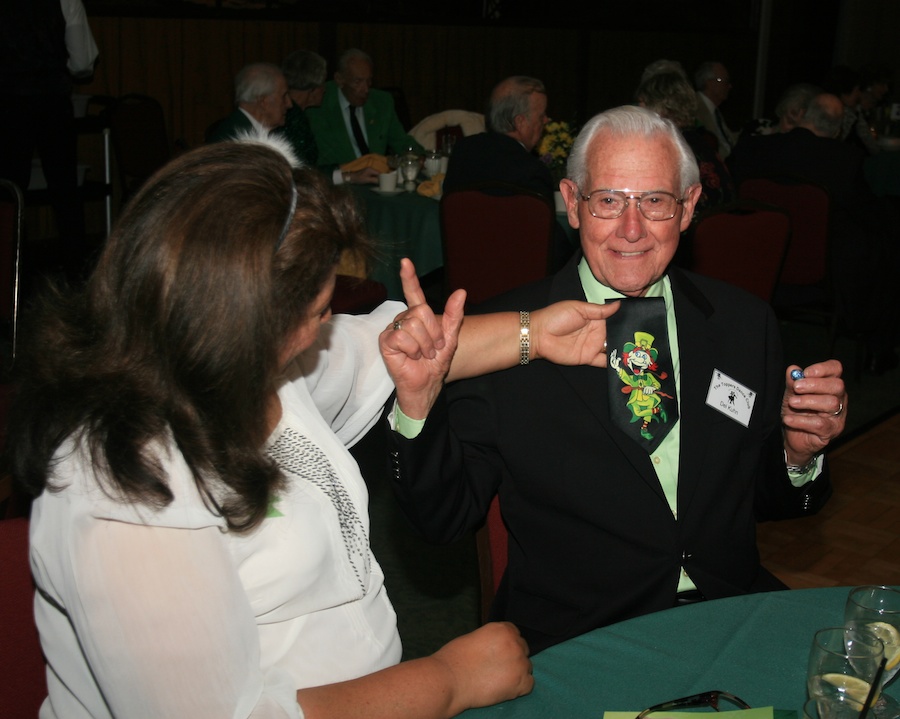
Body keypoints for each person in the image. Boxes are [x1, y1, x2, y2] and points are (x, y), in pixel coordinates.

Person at [8, 129, 623, 717]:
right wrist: (448, 680)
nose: (327, 324)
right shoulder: (124, 492)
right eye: (317, 310)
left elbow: (393, 349)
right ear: (242, 325)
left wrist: (537, 332)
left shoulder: (256, 372)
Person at [383, 105, 847, 654]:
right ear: (573, 204)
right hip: (580, 638)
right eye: (608, 201)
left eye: (654, 201)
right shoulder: (506, 341)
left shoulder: (744, 323)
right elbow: (440, 521)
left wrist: (797, 455)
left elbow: (766, 499)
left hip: (729, 612)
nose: (632, 229)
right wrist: (416, 402)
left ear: (689, 208)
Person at [728, 92, 899, 374]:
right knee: (882, 245)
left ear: (803, 116)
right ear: (838, 130)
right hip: (815, 268)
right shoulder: (845, 159)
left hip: (755, 261)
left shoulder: (754, 148)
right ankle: (877, 349)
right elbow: (868, 214)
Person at [0, 0, 99, 270]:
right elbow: (82, 62)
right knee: (65, 189)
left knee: (9, 192)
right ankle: (75, 276)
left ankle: (9, 275)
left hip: (7, 104)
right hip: (52, 102)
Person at [442, 75, 573, 269]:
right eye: (541, 116)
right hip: (524, 291)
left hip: (465, 278)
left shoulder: (462, 152)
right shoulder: (532, 171)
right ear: (520, 122)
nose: (546, 121)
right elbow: (547, 248)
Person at [306, 48, 424, 182]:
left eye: (369, 81)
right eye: (358, 82)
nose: (366, 89)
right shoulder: (318, 103)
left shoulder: (382, 102)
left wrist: (419, 156)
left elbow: (401, 141)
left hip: (377, 182)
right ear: (339, 79)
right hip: (339, 184)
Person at [635, 70, 735, 221]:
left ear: (659, 108)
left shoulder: (665, 149)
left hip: (692, 233)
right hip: (724, 229)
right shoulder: (703, 141)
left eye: (641, 105)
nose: (637, 113)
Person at [206, 62, 291, 142]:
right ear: (263, 102)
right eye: (283, 96)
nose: (289, 104)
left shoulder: (242, 131)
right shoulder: (235, 139)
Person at [694, 61, 738, 159]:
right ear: (710, 83)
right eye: (725, 81)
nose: (729, 86)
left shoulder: (715, 111)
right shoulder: (695, 107)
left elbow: (728, 141)